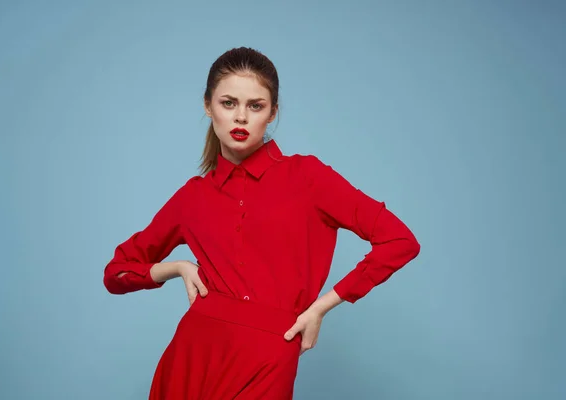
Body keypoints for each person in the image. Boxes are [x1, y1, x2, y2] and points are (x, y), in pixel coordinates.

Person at [103, 46, 421, 399]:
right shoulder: (193, 196)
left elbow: (400, 241)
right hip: (193, 355)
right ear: (208, 106)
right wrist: (176, 268)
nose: (241, 117)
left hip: (272, 352)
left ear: (272, 113)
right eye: (228, 103)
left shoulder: (308, 177)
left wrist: (321, 307)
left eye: (255, 106)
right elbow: (116, 273)